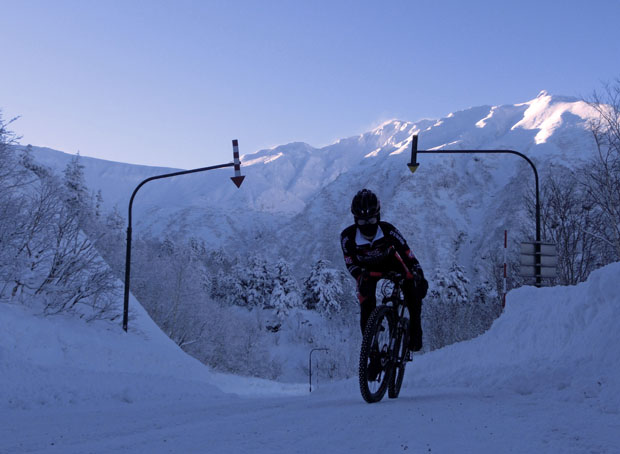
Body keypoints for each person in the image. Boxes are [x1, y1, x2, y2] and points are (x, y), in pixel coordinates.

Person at [340, 189, 428, 359]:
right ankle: (371, 353)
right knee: (366, 303)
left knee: (412, 289)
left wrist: (419, 275)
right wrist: (359, 276)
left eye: (371, 220)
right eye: (362, 221)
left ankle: (416, 329)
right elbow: (350, 263)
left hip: (391, 264)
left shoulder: (389, 231)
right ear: (355, 220)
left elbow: (408, 255)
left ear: (378, 217)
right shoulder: (347, 237)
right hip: (366, 270)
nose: (367, 225)